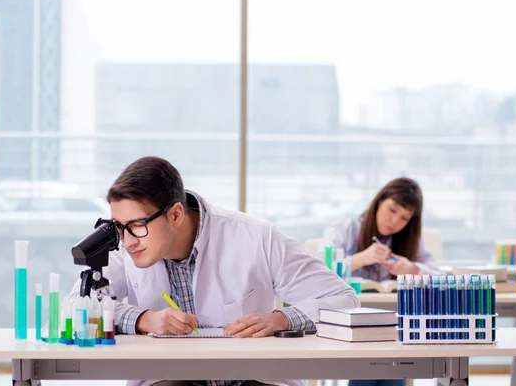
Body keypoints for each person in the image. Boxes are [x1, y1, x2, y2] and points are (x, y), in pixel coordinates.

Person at [68, 156, 359, 386]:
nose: (127, 239)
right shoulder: (126, 245)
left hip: (254, 376)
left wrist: (281, 319)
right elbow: (75, 308)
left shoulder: (256, 236)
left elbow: (343, 298)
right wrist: (145, 319)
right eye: (119, 226)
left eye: (137, 225)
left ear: (176, 214)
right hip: (169, 377)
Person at [330, 177, 441, 386]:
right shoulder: (345, 228)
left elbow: (440, 276)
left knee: (392, 361)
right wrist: (360, 259)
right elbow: (320, 271)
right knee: (369, 364)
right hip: (352, 323)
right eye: (392, 210)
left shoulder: (411, 240)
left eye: (404, 218)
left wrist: (413, 268)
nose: (395, 222)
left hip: (395, 324)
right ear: (379, 201)